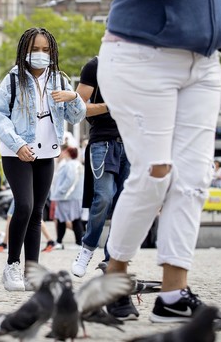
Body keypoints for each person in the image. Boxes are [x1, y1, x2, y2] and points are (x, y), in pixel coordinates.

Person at [94, 0, 221, 323]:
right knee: (155, 173)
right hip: (140, 58)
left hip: (204, 64)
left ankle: (173, 295)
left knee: (194, 179)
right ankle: (114, 278)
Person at [0, 27, 85, 291]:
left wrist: (74, 97)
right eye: (35, 50)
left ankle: (32, 272)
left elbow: (76, 116)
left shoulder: (60, 79)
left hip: (48, 153)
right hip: (17, 153)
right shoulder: (12, 79)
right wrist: (17, 143)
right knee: (24, 206)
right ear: (24, 51)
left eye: (46, 50)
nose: (41, 55)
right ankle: (12, 266)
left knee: (37, 212)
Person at [71, 57, 131, 291]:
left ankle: (111, 257)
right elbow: (78, 107)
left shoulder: (138, 66)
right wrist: (110, 106)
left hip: (131, 142)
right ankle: (87, 247)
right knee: (104, 196)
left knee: (124, 203)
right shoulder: (95, 66)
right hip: (103, 142)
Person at [50, 146, 84, 250]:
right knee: (73, 219)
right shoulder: (77, 164)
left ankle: (74, 242)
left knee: (66, 219)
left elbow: (70, 179)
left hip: (66, 197)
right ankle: (62, 241)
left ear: (68, 153)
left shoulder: (69, 165)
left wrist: (61, 191)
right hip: (73, 196)